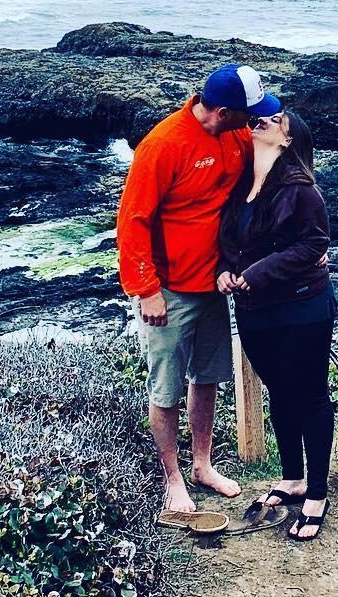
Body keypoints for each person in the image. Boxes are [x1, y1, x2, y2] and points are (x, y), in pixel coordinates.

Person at [117, 62, 282, 514]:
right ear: (225, 110)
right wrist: (145, 288)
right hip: (168, 290)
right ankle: (173, 478)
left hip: (214, 282)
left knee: (207, 375)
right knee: (165, 386)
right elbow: (132, 221)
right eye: (249, 113)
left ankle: (202, 465)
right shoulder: (163, 145)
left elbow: (262, 176)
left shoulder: (233, 135)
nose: (254, 120)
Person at [217, 107, 335, 542]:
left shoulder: (302, 190)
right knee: (280, 392)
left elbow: (313, 244)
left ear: (287, 140)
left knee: (309, 395)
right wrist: (226, 270)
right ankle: (292, 478)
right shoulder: (241, 185)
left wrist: (258, 273)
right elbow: (231, 241)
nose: (265, 120)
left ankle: (317, 494)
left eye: (278, 120)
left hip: (302, 307)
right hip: (254, 311)